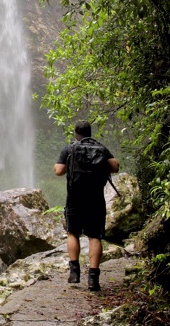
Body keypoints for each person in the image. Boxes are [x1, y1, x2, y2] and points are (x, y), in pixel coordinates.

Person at [53, 120, 119, 291]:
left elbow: (59, 171)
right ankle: (93, 278)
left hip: (75, 197)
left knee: (73, 232)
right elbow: (115, 167)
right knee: (95, 236)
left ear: (76, 133)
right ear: (90, 133)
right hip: (96, 198)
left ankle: (74, 272)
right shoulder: (101, 148)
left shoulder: (70, 148)